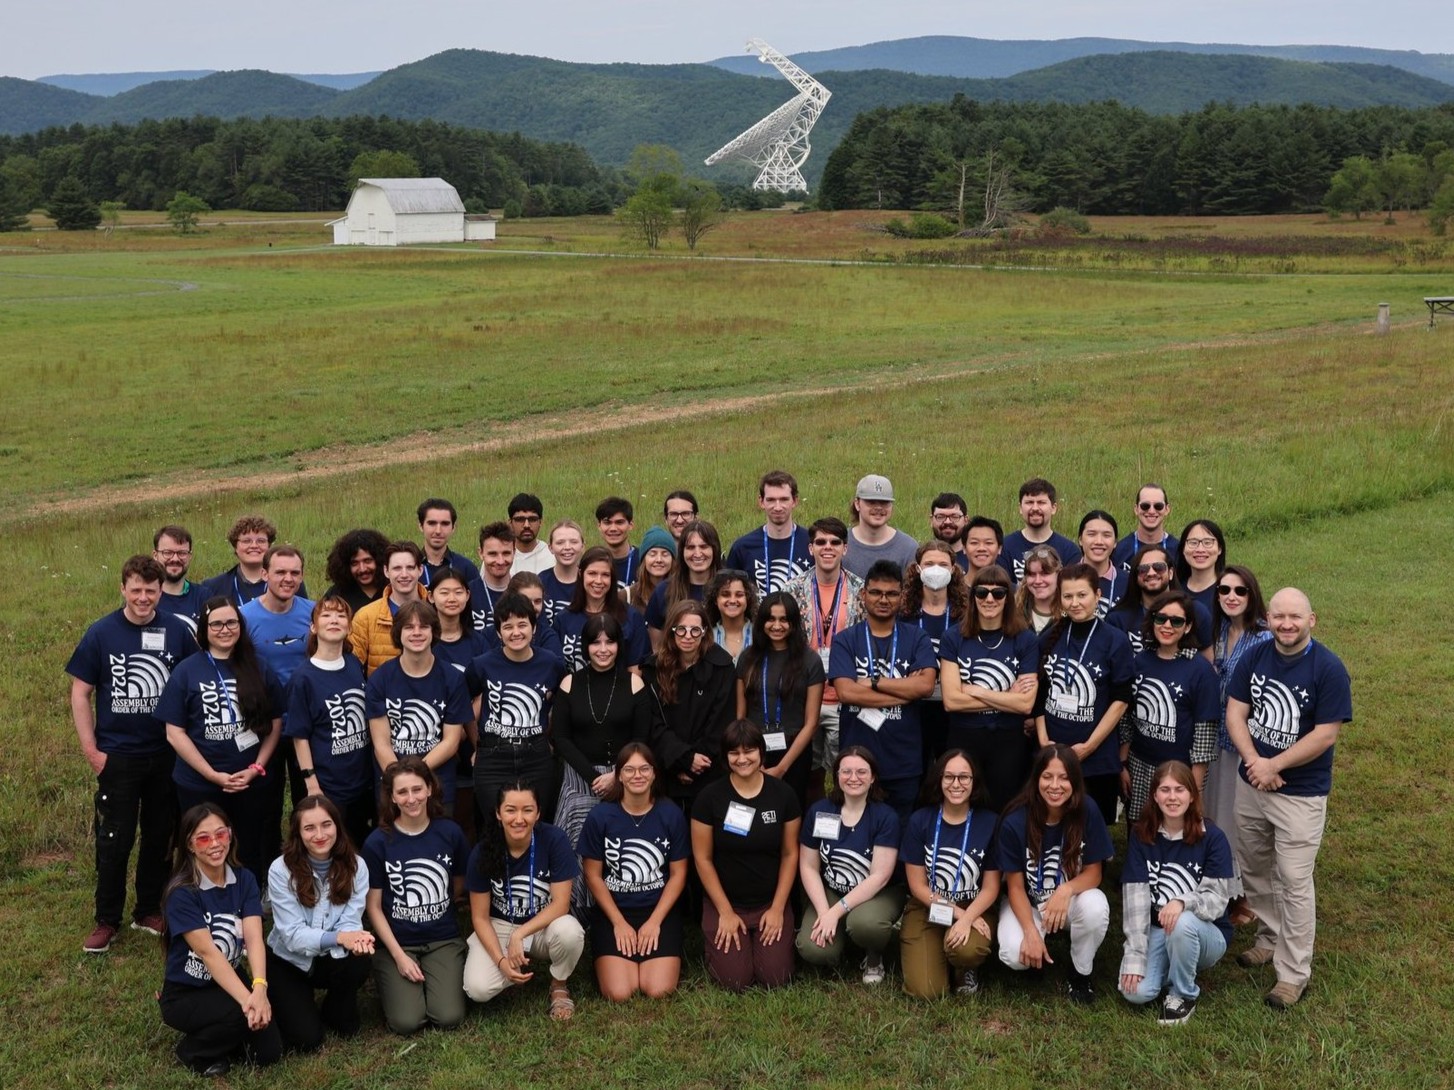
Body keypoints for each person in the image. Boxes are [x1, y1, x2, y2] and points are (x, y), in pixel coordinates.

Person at [1225, 587, 1352, 1010]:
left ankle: (1293, 973)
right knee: (1255, 867)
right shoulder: (1255, 656)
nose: (1286, 624)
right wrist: (1255, 763)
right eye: (1278, 616)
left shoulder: (1328, 668)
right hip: (1252, 783)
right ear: (1269, 620)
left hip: (1300, 794)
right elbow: (1235, 712)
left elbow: (1325, 735)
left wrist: (1274, 765)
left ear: (1311, 620)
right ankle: (1269, 937)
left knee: (1295, 881)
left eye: (1295, 616)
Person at [68, 555, 198, 952]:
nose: (143, 598)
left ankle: (148, 910)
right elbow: (80, 692)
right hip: (117, 756)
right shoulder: (101, 633)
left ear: (160, 592)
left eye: (151, 591)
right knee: (114, 839)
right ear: (123, 588)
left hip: (165, 755)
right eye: (136, 590)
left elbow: (194, 682)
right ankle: (107, 919)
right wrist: (92, 751)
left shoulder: (177, 631)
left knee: (160, 835)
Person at [159, 596, 284, 888]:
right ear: (204, 629)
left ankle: (248, 899)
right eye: (216, 624)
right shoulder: (186, 671)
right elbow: (174, 733)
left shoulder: (259, 667)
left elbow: (276, 723)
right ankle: (203, 901)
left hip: (250, 783)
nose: (224, 629)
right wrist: (213, 775)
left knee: (249, 847)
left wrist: (256, 768)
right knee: (204, 846)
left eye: (231, 622)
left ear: (240, 626)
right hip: (200, 785)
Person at [159, 803, 281, 1077]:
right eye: (203, 838)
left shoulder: (244, 879)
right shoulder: (182, 893)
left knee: (267, 1053)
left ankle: (226, 1036)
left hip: (231, 977)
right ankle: (192, 1051)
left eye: (221, 834)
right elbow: (209, 954)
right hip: (187, 992)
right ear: (190, 845)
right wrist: (249, 1002)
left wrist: (259, 989)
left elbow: (254, 939)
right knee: (239, 1014)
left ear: (230, 835)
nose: (215, 844)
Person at [1118, 761, 1237, 1025]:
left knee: (1181, 924)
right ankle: (1172, 966)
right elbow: (1135, 900)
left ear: (1192, 795)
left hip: (1205, 931)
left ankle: (1183, 994)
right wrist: (1136, 955)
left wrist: (1182, 902)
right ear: (1154, 795)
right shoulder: (1141, 835)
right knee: (1135, 993)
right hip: (1158, 929)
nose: (1172, 797)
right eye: (1165, 790)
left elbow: (1217, 901)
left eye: (1180, 789)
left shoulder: (1213, 837)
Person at [996, 745, 1114, 1004]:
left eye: (1064, 778)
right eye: (1047, 776)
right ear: (1036, 778)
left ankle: (1080, 972)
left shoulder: (1087, 809)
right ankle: (1035, 953)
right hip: (1028, 903)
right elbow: (1015, 887)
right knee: (1014, 954)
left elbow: (1094, 873)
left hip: (1069, 900)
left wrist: (1065, 890)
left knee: (1096, 906)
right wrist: (1030, 931)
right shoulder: (1015, 820)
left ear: (1075, 781)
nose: (1055, 785)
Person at [691, 721, 802, 991]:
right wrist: (725, 912)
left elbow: (790, 854)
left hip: (769, 901)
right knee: (734, 980)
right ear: (725, 757)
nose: (742, 759)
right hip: (726, 902)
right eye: (734, 753)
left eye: (749, 751)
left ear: (761, 752)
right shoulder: (709, 797)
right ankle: (720, 944)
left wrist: (777, 908)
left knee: (775, 977)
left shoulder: (783, 794)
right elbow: (702, 859)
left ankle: (770, 940)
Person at [362, 759, 469, 1034]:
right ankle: (390, 976)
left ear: (429, 789)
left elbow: (458, 883)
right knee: (406, 1022)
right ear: (392, 797)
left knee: (448, 1017)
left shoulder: (450, 833)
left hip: (442, 938)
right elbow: (373, 907)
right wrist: (399, 956)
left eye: (417, 789)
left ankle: (437, 974)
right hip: (398, 941)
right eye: (402, 792)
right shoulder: (377, 842)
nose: (411, 799)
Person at [463, 781, 585, 1018]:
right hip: (500, 924)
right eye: (510, 810)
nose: (519, 819)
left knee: (570, 932)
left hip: (544, 924)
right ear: (498, 813)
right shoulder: (483, 850)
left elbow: (561, 904)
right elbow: (479, 917)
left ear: (538, 813)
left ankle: (559, 985)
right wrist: (500, 961)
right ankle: (511, 968)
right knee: (477, 989)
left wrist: (519, 934)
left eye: (527, 810)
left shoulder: (554, 839)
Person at [579, 743, 691, 1000]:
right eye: (629, 770)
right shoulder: (600, 816)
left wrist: (654, 922)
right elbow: (593, 875)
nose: (637, 775)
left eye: (644, 769)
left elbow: (678, 874)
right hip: (614, 911)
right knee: (619, 992)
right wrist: (619, 923)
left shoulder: (671, 814)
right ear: (618, 775)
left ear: (654, 774)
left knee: (658, 989)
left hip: (659, 909)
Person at [552, 614, 651, 903]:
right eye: (596, 643)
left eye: (610, 642)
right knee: (576, 844)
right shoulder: (570, 683)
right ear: (586, 646)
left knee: (620, 844)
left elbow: (641, 738)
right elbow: (561, 738)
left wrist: (617, 775)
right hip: (579, 778)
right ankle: (575, 909)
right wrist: (595, 778)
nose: (603, 649)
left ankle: (618, 907)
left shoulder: (634, 683)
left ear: (620, 646)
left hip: (626, 776)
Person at [829, 560, 938, 818]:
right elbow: (846, 693)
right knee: (857, 828)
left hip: (903, 761)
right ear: (863, 594)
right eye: (876, 592)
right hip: (857, 760)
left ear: (902, 596)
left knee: (901, 829)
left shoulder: (917, 637)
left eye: (891, 594)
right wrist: (903, 694)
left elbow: (925, 685)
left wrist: (875, 682)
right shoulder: (845, 640)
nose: (883, 599)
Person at [265, 795, 374, 1052]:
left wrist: (356, 940)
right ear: (297, 832)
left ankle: (334, 1007)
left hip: (331, 957)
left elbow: (350, 920)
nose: (320, 835)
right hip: (288, 961)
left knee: (359, 963)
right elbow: (292, 935)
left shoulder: (357, 865)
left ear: (337, 826)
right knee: (307, 1039)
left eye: (326, 825)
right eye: (309, 828)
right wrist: (340, 938)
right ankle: (295, 999)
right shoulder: (280, 870)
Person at [1036, 562, 1133, 824]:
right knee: (1051, 823)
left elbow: (1121, 700)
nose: (1075, 603)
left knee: (1091, 828)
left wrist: (1089, 747)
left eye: (1082, 595)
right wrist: (1043, 741)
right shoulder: (1051, 636)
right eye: (1068, 596)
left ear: (1097, 595)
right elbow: (1039, 692)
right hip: (1052, 752)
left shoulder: (1115, 640)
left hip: (1096, 757)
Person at [797, 746, 904, 984]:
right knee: (813, 950)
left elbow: (880, 877)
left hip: (878, 893)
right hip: (833, 889)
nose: (853, 778)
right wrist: (824, 912)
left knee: (866, 925)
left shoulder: (886, 817)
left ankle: (874, 953)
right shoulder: (820, 811)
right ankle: (840, 946)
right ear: (836, 775)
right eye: (846, 771)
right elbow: (808, 866)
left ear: (873, 777)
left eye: (861, 772)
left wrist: (835, 913)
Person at [900, 750, 1000, 997]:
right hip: (929, 906)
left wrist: (967, 917)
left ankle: (964, 966)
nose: (956, 784)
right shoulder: (920, 820)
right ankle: (938, 955)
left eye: (964, 777)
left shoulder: (990, 822)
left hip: (974, 907)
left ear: (974, 781)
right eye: (949, 777)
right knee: (927, 991)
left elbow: (991, 887)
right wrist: (958, 914)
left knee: (966, 951)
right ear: (939, 780)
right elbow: (917, 886)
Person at [939, 565, 1039, 811]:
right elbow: (951, 701)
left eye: (998, 593)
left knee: (1005, 807)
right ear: (973, 597)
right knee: (964, 803)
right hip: (964, 736)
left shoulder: (1025, 639)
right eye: (982, 592)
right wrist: (1007, 698)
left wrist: (976, 690)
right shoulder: (953, 637)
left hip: (1009, 740)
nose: (990, 599)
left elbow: (1025, 704)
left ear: (1008, 597)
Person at [1120, 590, 1220, 822]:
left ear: (1188, 627)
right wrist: (1122, 764)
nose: (1167, 626)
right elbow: (1126, 718)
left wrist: (1195, 789)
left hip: (1181, 771)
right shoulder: (1140, 661)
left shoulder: (1201, 670)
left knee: (1178, 829)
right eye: (1161, 618)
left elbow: (1204, 737)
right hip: (1140, 764)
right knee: (1141, 827)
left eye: (1176, 621)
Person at [467, 591, 567, 822]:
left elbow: (560, 703)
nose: (516, 633)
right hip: (493, 757)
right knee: (495, 825)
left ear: (534, 627)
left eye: (522, 625)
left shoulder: (551, 664)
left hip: (537, 758)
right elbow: (462, 705)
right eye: (507, 627)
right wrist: (477, 744)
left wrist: (546, 738)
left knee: (535, 823)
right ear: (498, 632)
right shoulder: (482, 665)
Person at [285, 597, 375, 850]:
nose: (334, 620)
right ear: (313, 627)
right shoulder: (303, 678)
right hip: (328, 785)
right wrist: (311, 783)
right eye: (326, 615)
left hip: (362, 780)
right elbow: (299, 737)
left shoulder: (353, 664)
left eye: (341, 615)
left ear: (349, 627)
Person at [785, 517, 865, 792]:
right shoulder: (792, 590)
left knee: (845, 769)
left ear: (845, 548)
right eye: (820, 542)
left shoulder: (861, 591)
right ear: (811, 548)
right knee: (808, 771)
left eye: (835, 542)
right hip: (804, 695)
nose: (827, 547)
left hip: (844, 695)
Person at [365, 600, 470, 807]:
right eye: (409, 627)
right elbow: (381, 743)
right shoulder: (380, 679)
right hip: (392, 780)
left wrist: (417, 775)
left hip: (437, 779)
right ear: (398, 633)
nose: (416, 633)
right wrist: (401, 780)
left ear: (434, 631)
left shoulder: (452, 678)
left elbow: (451, 741)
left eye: (423, 627)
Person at [1202, 565, 1271, 858]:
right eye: (1225, 590)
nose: (1232, 596)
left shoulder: (1265, 638)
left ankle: (1238, 873)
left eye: (1240, 591)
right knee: (1215, 807)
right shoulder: (1217, 631)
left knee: (1238, 812)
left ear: (1251, 595)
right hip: (1214, 736)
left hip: (1245, 740)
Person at [642, 600, 737, 808]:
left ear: (705, 632)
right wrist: (682, 760)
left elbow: (721, 722)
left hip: (709, 770)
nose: (687, 636)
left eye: (695, 630)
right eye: (681, 629)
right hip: (667, 769)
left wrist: (695, 763)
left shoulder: (722, 667)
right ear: (671, 631)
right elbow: (653, 723)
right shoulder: (653, 669)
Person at [736, 592, 824, 807]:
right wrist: (748, 755)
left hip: (795, 752)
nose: (777, 626)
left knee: (790, 811)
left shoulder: (810, 660)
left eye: (784, 619)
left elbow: (811, 723)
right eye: (771, 619)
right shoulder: (748, 657)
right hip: (753, 750)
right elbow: (740, 715)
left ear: (794, 623)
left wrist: (782, 768)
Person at [902, 540, 969, 769]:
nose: (936, 570)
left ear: (953, 569)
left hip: (952, 705)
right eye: (929, 564)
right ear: (917, 568)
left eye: (943, 564)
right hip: (913, 704)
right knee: (917, 767)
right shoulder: (904, 612)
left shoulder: (967, 613)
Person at [552, 545, 650, 673]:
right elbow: (556, 668)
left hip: (620, 685)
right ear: (581, 574)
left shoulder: (631, 617)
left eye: (605, 575)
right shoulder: (563, 619)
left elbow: (636, 671)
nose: (598, 581)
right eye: (592, 573)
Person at [1106, 543, 1212, 651]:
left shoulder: (1196, 612)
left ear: (1170, 573)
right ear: (1135, 577)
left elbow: (1208, 659)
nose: (1151, 573)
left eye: (1159, 567)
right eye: (1143, 569)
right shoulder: (1117, 619)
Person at [726, 470, 812, 595]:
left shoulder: (813, 543)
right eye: (771, 500)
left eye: (784, 499)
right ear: (761, 502)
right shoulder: (742, 547)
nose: (777, 507)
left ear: (794, 501)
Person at [350, 541, 429, 677]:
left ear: (420, 570)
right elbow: (351, 667)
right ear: (386, 571)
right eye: (397, 568)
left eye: (410, 568)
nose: (404, 574)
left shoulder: (436, 611)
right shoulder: (365, 617)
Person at [645, 519, 723, 649]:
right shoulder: (664, 591)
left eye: (704, 546)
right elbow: (657, 647)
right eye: (690, 547)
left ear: (715, 549)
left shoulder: (727, 590)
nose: (697, 554)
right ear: (682, 551)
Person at [998, 478, 1082, 582]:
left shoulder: (1069, 551)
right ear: (1020, 508)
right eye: (1029, 502)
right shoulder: (1004, 548)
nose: (1035, 508)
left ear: (1053, 508)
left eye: (1041, 502)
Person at [204, 515, 296, 608]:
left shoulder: (290, 583)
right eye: (246, 541)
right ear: (235, 547)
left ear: (269, 546)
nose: (254, 546)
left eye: (261, 541)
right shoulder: (213, 587)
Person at [844, 473, 917, 578]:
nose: (878, 507)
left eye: (884, 502)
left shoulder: (908, 549)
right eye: (871, 502)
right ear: (857, 504)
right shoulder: (838, 543)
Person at [1111, 483, 1179, 576]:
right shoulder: (1118, 551)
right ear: (1136, 509)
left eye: (1158, 506)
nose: (1151, 511)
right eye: (1145, 506)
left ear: (1167, 509)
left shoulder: (1179, 551)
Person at [153, 525, 208, 631]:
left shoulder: (204, 597)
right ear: (155, 555)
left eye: (182, 553)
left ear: (190, 556)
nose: (175, 559)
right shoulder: (144, 599)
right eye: (167, 553)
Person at [417, 497, 481, 589]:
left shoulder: (466, 568)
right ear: (421, 526)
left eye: (445, 524)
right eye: (432, 523)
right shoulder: (409, 568)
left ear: (453, 528)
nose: (438, 531)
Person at [322, 528, 390, 614]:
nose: (362, 569)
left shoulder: (393, 590)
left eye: (367, 561)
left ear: (380, 561)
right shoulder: (337, 595)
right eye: (354, 563)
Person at [468, 520, 516, 634]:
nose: (500, 561)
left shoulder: (524, 592)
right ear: (481, 553)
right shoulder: (466, 594)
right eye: (493, 554)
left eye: (506, 553)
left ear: (514, 552)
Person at [1174, 518, 1227, 618]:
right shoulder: (1173, 589)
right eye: (1193, 543)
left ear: (1219, 549)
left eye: (1208, 542)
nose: (1200, 549)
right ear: (1183, 549)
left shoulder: (1229, 591)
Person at [537, 519, 586, 626]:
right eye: (560, 542)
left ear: (582, 546)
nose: (567, 547)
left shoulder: (590, 581)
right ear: (550, 547)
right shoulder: (540, 581)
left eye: (574, 542)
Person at [705, 568, 757, 664]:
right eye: (725, 594)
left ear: (747, 598)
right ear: (716, 599)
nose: (732, 600)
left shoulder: (760, 635)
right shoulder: (707, 637)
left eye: (739, 595)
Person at [1077, 510, 1123, 616]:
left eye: (1106, 535)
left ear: (1115, 542)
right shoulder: (1065, 579)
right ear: (1080, 540)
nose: (1099, 541)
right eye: (1091, 534)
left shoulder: (1129, 583)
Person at [1014, 543, 1063, 634]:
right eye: (1032, 574)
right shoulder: (1014, 611)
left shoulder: (1070, 612)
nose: (1038, 581)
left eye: (1044, 573)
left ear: (1058, 573)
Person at [627, 526, 675, 615]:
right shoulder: (627, 596)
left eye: (665, 554)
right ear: (644, 559)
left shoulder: (682, 593)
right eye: (653, 554)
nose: (659, 559)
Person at [595, 495, 639, 590]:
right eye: (607, 523)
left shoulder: (643, 560)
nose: (613, 528)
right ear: (599, 526)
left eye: (619, 522)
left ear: (631, 525)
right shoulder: (592, 561)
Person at [507, 493, 552, 575]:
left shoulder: (551, 556)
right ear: (510, 523)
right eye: (520, 519)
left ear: (540, 522)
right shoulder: (499, 558)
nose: (526, 525)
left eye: (532, 519)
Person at [927, 491, 968, 568]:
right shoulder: (921, 557)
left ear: (966, 520)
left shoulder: (975, 559)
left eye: (954, 517)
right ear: (931, 520)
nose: (947, 522)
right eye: (940, 517)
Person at [960, 516, 1004, 583]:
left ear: (999, 548)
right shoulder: (952, 588)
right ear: (964, 548)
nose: (981, 548)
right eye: (974, 543)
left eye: (988, 543)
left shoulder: (1011, 588)